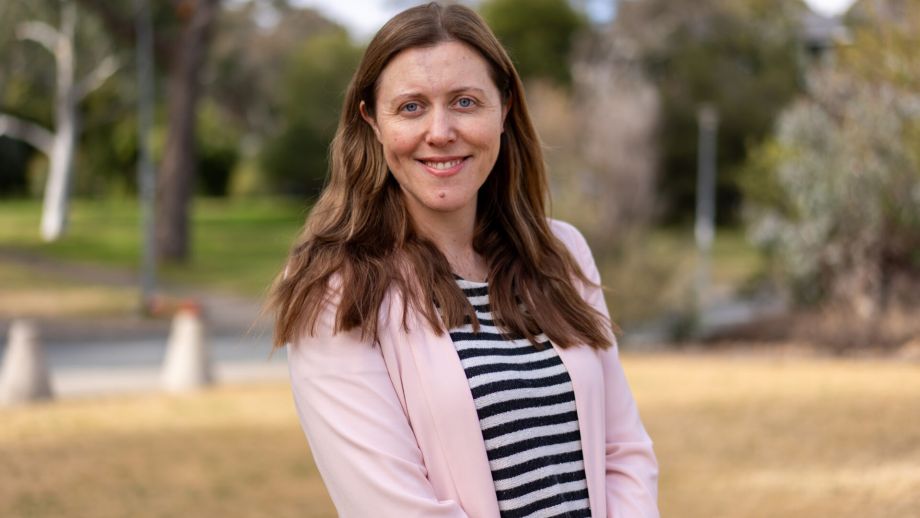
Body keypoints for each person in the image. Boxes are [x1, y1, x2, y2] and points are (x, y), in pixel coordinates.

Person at [269, 3, 659, 517]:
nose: (440, 131)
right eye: (411, 107)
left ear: (504, 108)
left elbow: (623, 452)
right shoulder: (335, 290)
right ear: (373, 120)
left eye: (465, 102)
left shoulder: (560, 255)